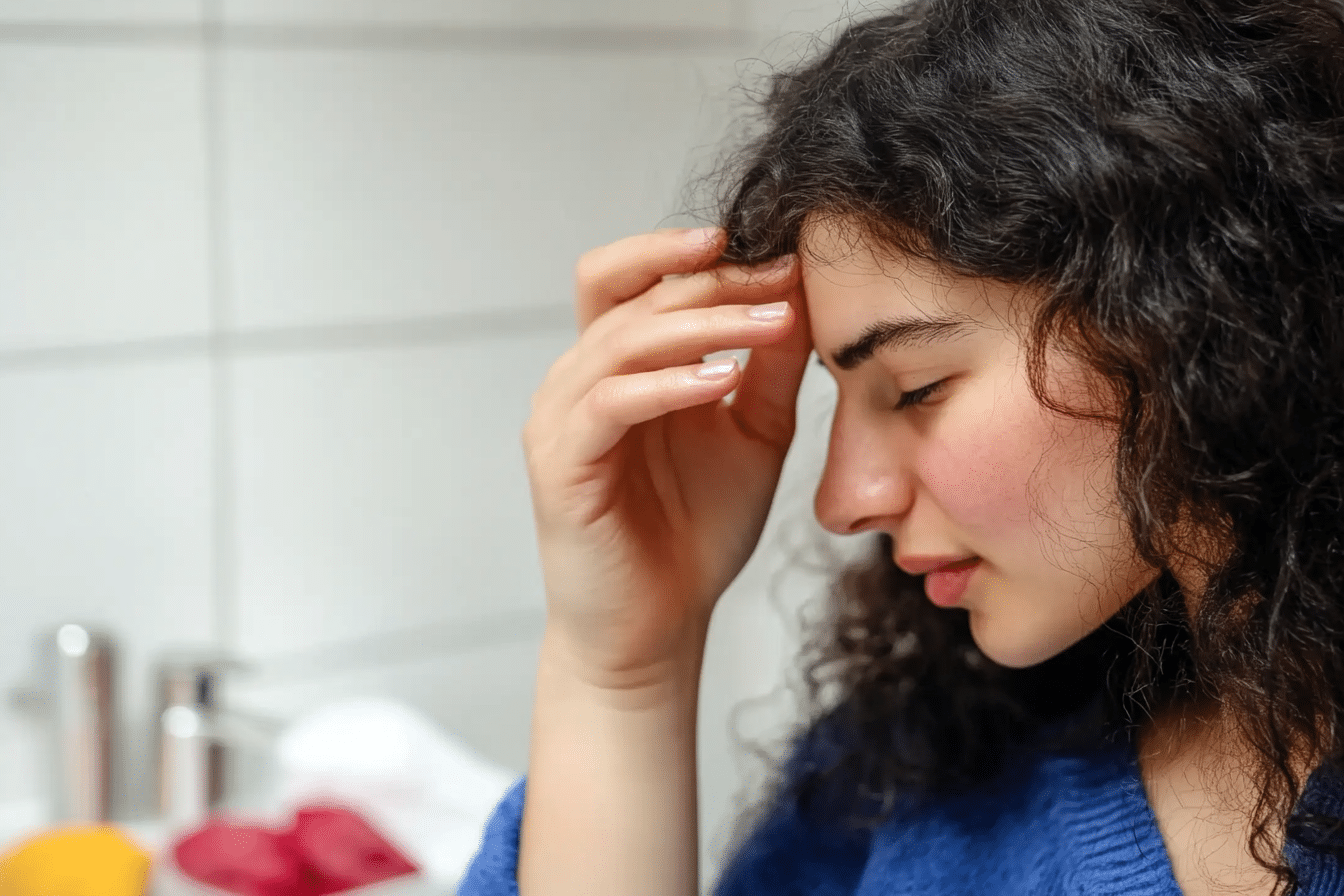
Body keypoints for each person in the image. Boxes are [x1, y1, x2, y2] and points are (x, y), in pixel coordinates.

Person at [460, 0, 1344, 893]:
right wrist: (624, 671)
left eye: (916, 388)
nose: (843, 503)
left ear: (1195, 320)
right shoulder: (910, 782)